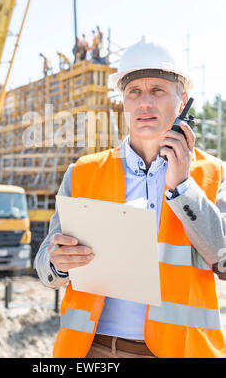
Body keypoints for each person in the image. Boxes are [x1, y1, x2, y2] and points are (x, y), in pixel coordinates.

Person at [34, 36, 226, 358]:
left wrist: (182, 188)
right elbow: (44, 268)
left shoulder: (214, 176)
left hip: (180, 351)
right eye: (134, 91)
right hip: (91, 352)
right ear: (124, 101)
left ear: (183, 102)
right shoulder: (83, 173)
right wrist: (58, 262)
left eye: (158, 91)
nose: (144, 102)